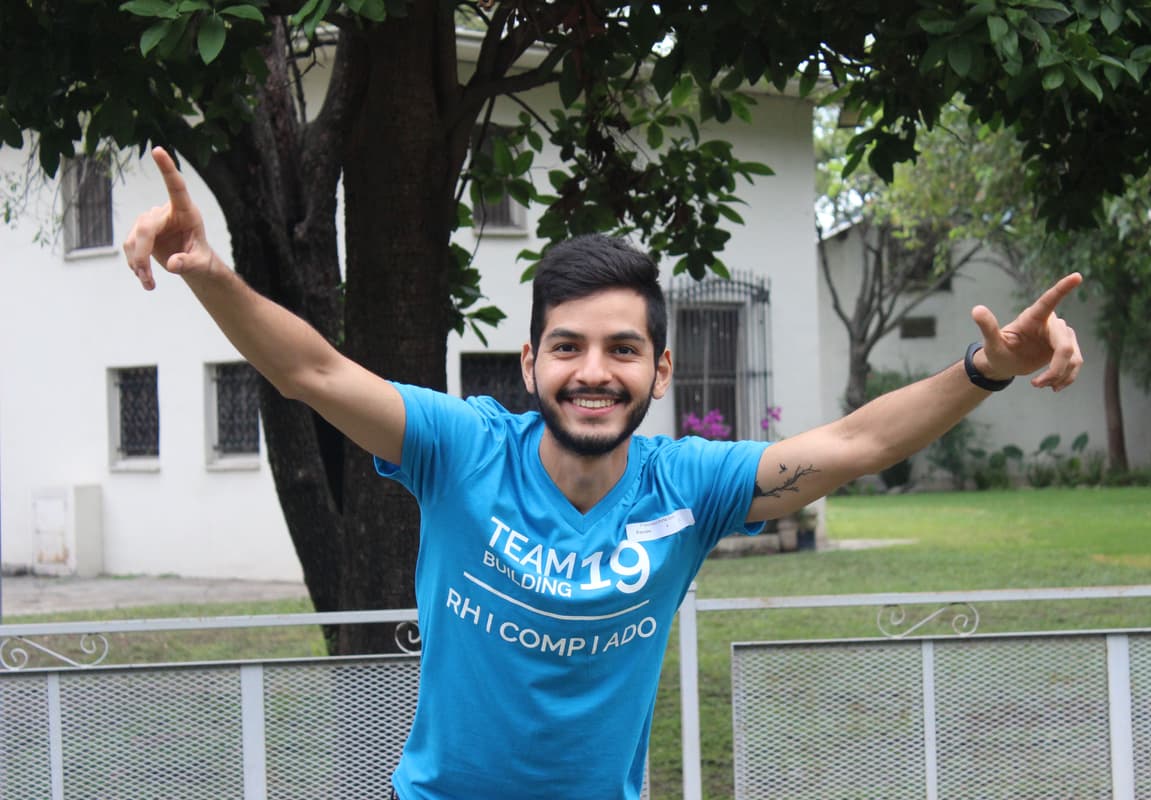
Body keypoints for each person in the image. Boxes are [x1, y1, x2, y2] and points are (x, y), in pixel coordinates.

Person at [125, 146, 1082, 800]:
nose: (594, 371)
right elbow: (314, 372)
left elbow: (858, 444)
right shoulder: (460, 450)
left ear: (660, 371)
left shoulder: (690, 488)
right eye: (568, 347)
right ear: (530, 362)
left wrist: (985, 369)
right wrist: (208, 270)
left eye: (623, 349)